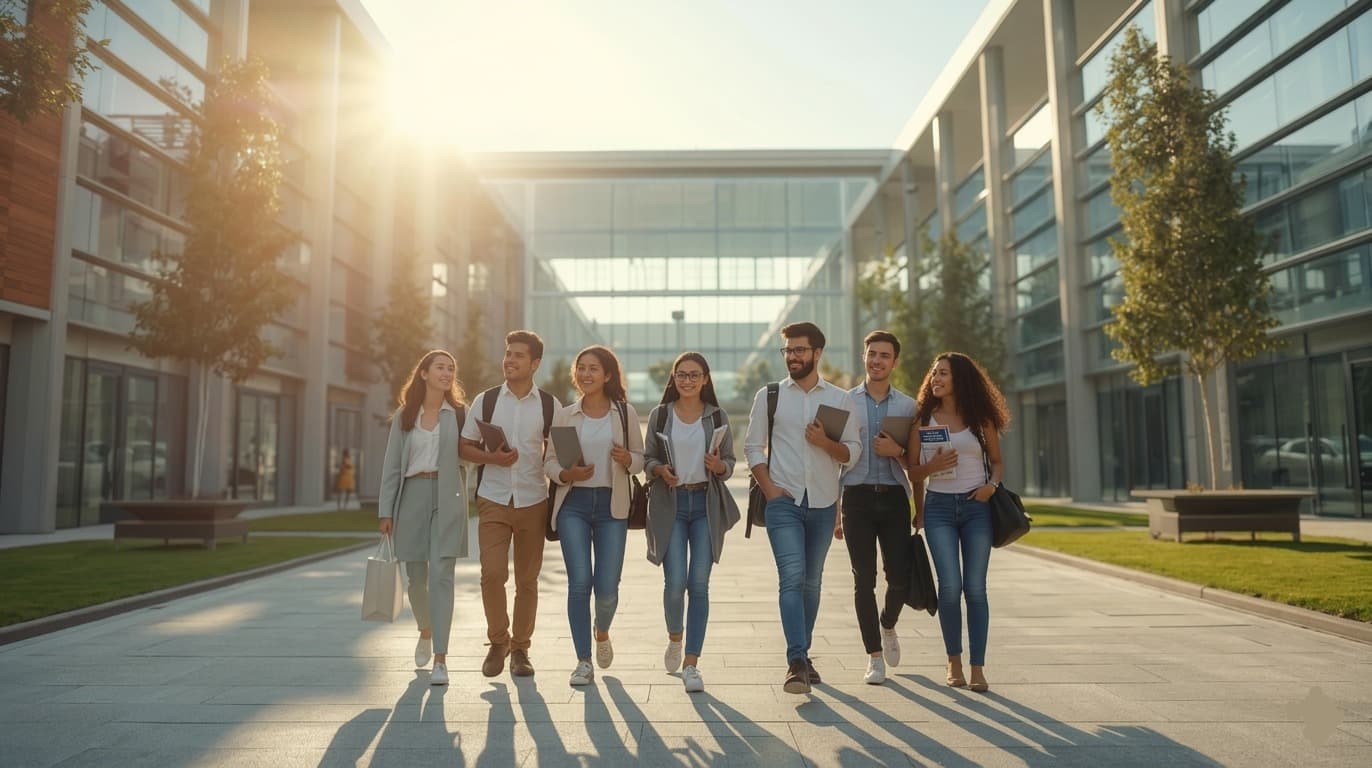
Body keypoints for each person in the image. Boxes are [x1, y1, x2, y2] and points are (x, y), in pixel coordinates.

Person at [744, 321, 861, 695]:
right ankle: (796, 661)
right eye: (787, 351)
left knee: (812, 582)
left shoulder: (841, 400)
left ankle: (803, 656)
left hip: (823, 503)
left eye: (799, 350)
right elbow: (751, 448)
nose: (792, 357)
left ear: (817, 353)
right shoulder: (771, 395)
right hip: (784, 502)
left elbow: (852, 454)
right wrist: (770, 489)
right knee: (791, 577)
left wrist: (826, 443)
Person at [460, 331, 561, 679]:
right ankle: (498, 640)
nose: (510, 360)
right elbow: (463, 447)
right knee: (492, 574)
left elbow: (566, 453)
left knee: (527, 580)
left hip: (534, 499)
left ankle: (520, 649)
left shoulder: (550, 406)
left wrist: (573, 468)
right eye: (507, 354)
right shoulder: (486, 401)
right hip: (493, 497)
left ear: (534, 364)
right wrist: (493, 459)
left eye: (518, 355)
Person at [909, 352, 1009, 694]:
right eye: (934, 373)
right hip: (938, 508)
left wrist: (990, 487)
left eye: (944, 374)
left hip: (975, 507)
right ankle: (954, 661)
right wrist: (930, 473)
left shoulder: (981, 418)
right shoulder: (922, 419)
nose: (936, 378)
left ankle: (978, 667)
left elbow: (997, 463)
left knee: (975, 588)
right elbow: (912, 472)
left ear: (960, 379)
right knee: (949, 587)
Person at [544, 345, 644, 686]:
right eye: (581, 368)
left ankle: (602, 631)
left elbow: (641, 459)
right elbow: (550, 462)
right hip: (573, 503)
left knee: (607, 588)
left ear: (608, 375)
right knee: (579, 584)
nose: (586, 374)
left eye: (594, 369)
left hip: (611, 506)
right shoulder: (565, 414)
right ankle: (583, 660)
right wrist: (566, 475)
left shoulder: (624, 413)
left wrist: (626, 458)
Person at [642, 352, 741, 693]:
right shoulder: (660, 415)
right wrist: (659, 470)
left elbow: (729, 461)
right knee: (675, 583)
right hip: (670, 504)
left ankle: (692, 663)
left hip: (704, 504)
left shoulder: (717, 416)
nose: (687, 380)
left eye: (694, 375)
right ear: (674, 378)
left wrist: (719, 467)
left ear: (705, 379)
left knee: (698, 583)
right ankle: (674, 637)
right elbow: (648, 459)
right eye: (681, 375)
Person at [377, 350, 470, 687]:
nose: (447, 373)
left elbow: (471, 455)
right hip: (412, 497)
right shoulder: (406, 415)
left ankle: (442, 659)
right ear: (424, 373)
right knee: (416, 577)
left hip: (448, 497)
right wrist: (385, 511)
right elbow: (392, 467)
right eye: (440, 367)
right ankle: (425, 630)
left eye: (451, 368)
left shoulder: (460, 414)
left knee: (442, 574)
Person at [835, 331, 916, 685]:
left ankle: (888, 624)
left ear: (894, 361)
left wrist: (895, 452)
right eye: (871, 354)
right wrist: (835, 509)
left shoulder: (909, 407)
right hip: (857, 497)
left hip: (895, 496)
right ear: (863, 357)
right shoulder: (843, 402)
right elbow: (831, 455)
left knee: (899, 577)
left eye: (884, 355)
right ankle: (874, 656)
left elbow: (916, 460)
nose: (877, 361)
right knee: (863, 579)